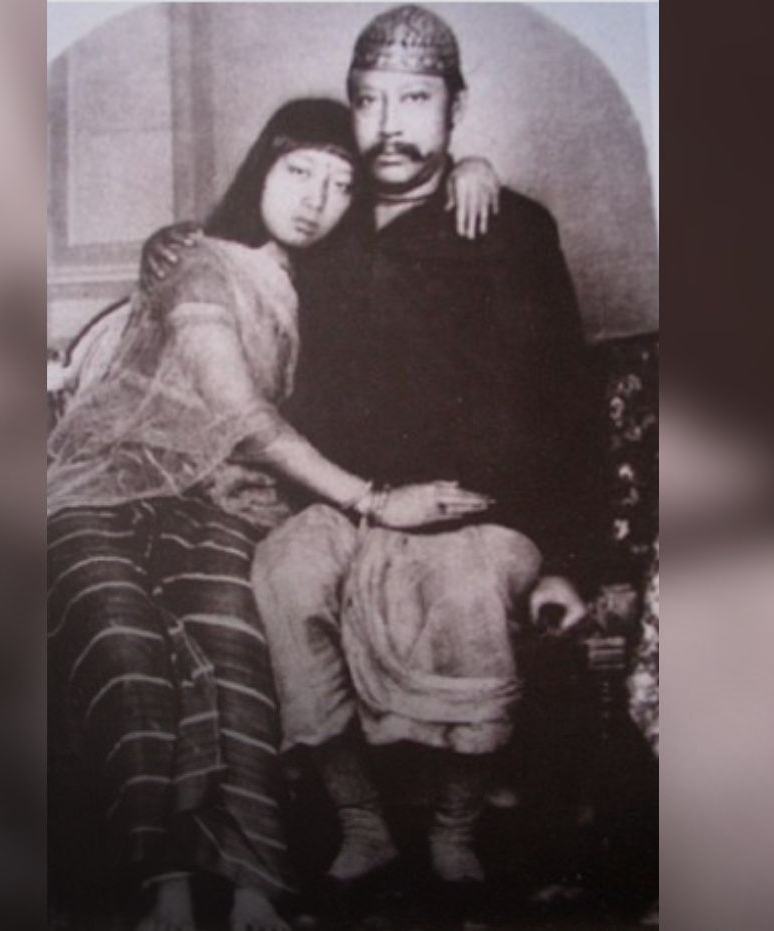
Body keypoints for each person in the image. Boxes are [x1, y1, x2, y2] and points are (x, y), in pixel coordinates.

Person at [150, 5, 606, 897]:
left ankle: (455, 826)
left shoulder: (511, 225)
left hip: (478, 507)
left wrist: (569, 561)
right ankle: (361, 819)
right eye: (369, 101)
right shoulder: (327, 221)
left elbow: (568, 405)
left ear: (456, 108)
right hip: (348, 499)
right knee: (283, 574)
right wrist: (164, 245)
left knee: (467, 592)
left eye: (416, 100)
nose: (390, 124)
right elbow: (232, 258)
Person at [46, 98, 492, 931]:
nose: (317, 199)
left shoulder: (327, 284)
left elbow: (422, 245)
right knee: (126, 641)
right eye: (299, 172)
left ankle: (253, 887)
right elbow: (241, 415)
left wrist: (470, 168)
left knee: (233, 647)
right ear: (262, 168)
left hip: (226, 500)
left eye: (340, 183)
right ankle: (166, 888)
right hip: (106, 483)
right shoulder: (198, 263)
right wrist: (373, 499)